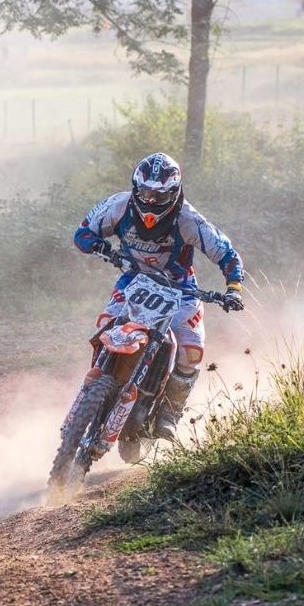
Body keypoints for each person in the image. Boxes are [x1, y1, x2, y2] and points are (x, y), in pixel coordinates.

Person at [71, 152, 244, 442]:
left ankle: (168, 416)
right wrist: (102, 249)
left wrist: (233, 290)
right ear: (136, 187)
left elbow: (227, 254)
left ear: (173, 193)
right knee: (105, 326)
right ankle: (95, 385)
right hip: (133, 280)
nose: (150, 200)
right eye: (145, 192)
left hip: (180, 289)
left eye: (158, 195)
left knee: (191, 351)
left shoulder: (188, 218)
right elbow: (83, 233)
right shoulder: (119, 205)